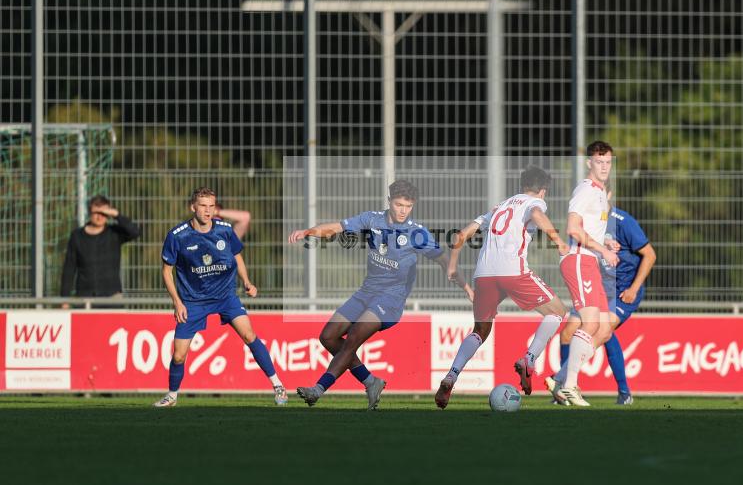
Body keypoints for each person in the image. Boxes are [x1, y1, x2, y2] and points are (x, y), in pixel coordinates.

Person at [289, 180, 473, 409]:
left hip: (391, 299)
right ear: (389, 202)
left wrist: (466, 287)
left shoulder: (416, 232)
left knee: (354, 337)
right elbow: (337, 227)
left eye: (408, 206)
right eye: (399, 204)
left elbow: (444, 259)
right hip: (366, 292)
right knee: (328, 336)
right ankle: (371, 381)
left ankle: (318, 389)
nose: (403, 210)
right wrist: (309, 232)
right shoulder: (372, 219)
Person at [435, 166, 569, 409]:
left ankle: (451, 376)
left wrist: (452, 267)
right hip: (512, 272)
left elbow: (461, 235)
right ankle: (529, 359)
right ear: (542, 190)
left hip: (484, 275)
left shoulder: (499, 208)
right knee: (557, 311)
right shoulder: (533, 202)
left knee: (480, 331)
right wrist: (558, 241)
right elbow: (538, 215)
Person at [154, 187, 287, 407]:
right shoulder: (178, 236)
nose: (208, 211)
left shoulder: (225, 230)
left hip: (226, 296)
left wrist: (246, 282)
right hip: (193, 300)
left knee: (249, 335)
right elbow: (166, 271)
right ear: (193, 207)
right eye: (203, 206)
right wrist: (177, 303)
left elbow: (237, 256)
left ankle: (278, 386)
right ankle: (171, 396)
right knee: (178, 356)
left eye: (211, 206)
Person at [546, 206, 656, 406]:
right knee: (568, 332)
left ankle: (565, 382)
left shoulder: (623, 221)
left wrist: (634, 288)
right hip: (599, 287)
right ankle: (564, 391)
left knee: (603, 331)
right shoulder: (587, 222)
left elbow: (650, 255)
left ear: (609, 193)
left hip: (624, 290)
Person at [556, 141, 620, 407]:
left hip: (590, 259)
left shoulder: (601, 192)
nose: (604, 167)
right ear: (589, 163)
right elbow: (572, 228)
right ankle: (569, 386)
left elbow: (589, 229)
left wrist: (605, 241)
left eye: (608, 162)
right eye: (599, 162)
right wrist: (602, 251)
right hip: (579, 260)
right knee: (591, 324)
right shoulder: (585, 189)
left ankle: (560, 379)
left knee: (604, 329)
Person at [60, 195, 141, 304]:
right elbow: (69, 268)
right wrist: (64, 299)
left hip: (112, 296)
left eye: (104, 213)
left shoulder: (114, 233)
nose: (100, 217)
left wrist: (117, 215)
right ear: (90, 212)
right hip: (85, 297)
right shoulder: (77, 236)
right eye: (96, 212)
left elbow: (135, 232)